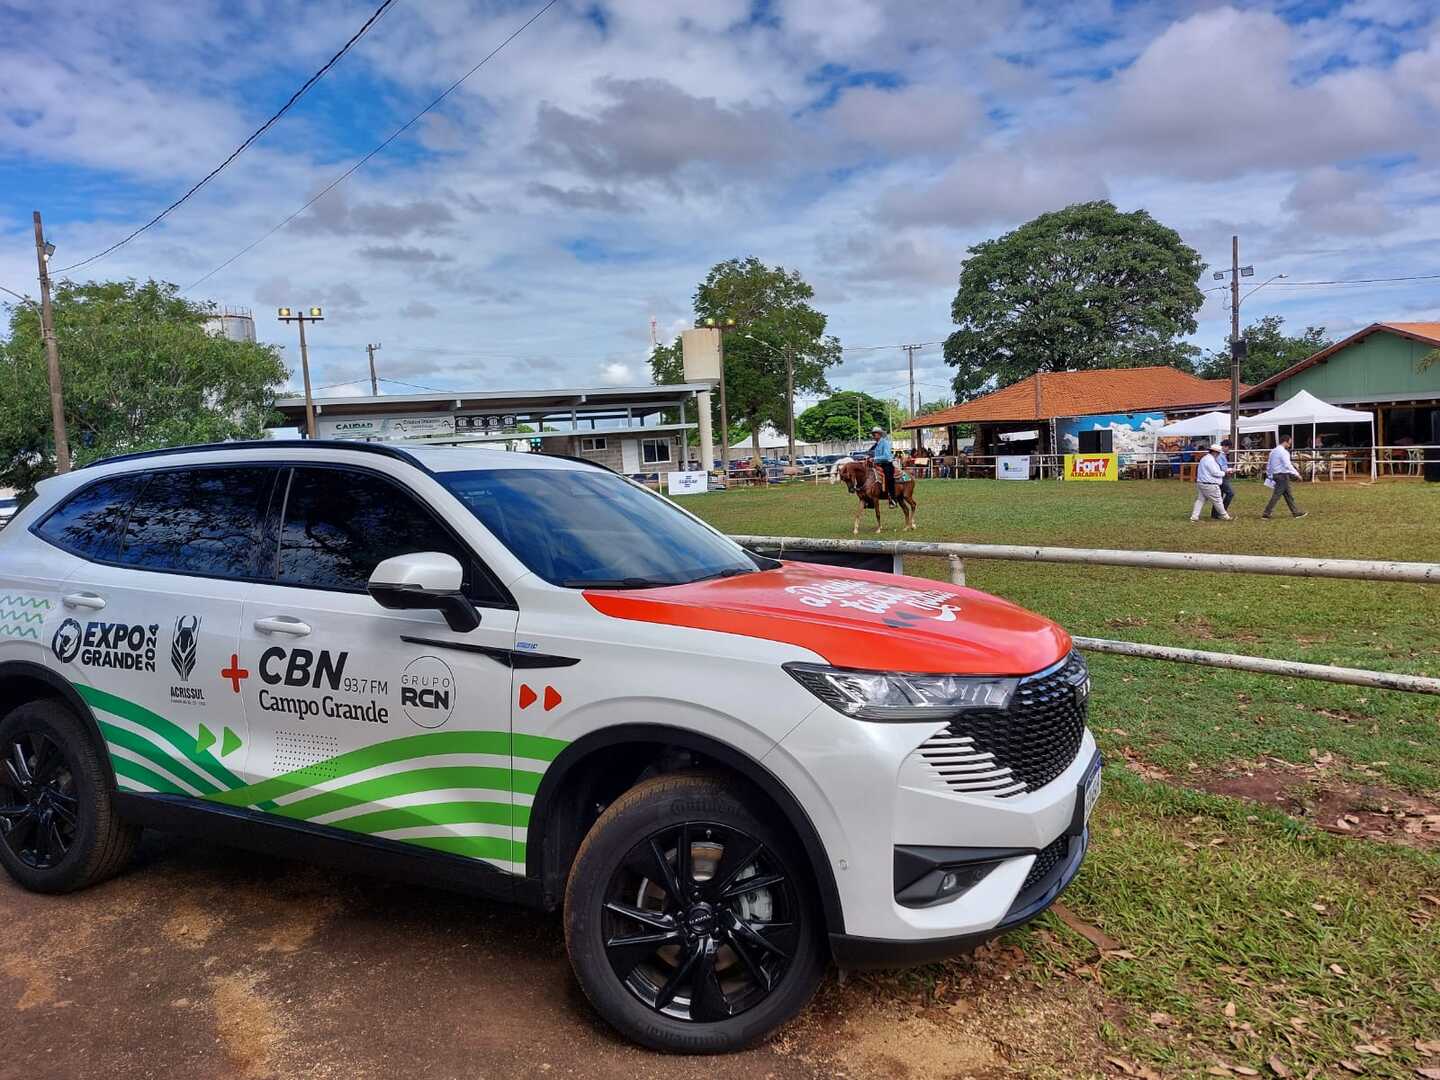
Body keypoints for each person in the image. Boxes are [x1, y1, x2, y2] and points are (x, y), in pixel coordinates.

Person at [1263, 434, 1308, 519]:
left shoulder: (1273, 451)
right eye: (1289, 442)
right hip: (1282, 475)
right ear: (1285, 442)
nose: (1290, 444)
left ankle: (1295, 512)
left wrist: (1269, 474)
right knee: (1277, 495)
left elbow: (1269, 464)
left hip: (1276, 475)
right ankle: (1266, 513)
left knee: (1288, 495)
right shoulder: (1284, 452)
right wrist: (1297, 474)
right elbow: (1288, 465)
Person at [1192, 444, 1232, 522]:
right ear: (1215, 452)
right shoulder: (1210, 460)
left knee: (1200, 500)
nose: (1219, 454)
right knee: (1218, 501)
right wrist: (1225, 473)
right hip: (1209, 484)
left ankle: (1194, 516)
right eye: (1219, 453)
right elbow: (1215, 473)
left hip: (1202, 483)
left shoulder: (1205, 458)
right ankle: (1225, 516)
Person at [869, 425, 896, 505]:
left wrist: (874, 459)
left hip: (887, 464)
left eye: (876, 433)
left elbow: (887, 456)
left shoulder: (885, 443)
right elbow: (870, 453)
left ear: (880, 434)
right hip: (877, 465)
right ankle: (870, 498)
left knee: (889, 478)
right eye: (873, 433)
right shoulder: (876, 445)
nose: (874, 435)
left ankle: (893, 498)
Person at [1210, 438, 1236, 520]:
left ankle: (1215, 514)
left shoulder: (1221, 455)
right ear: (1225, 446)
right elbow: (1221, 468)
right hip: (1222, 477)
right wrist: (1231, 470)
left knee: (1219, 495)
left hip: (1220, 477)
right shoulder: (1220, 455)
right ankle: (1222, 512)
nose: (1229, 450)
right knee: (1230, 493)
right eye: (1229, 448)